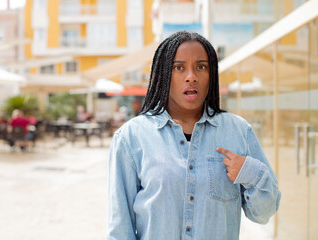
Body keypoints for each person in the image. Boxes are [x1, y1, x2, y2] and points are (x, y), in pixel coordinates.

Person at [107, 31, 281, 239]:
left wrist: (250, 172)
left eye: (201, 67)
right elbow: (120, 230)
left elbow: (263, 214)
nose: (191, 76)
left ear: (211, 74)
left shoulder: (239, 132)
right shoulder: (131, 138)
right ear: (163, 75)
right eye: (178, 67)